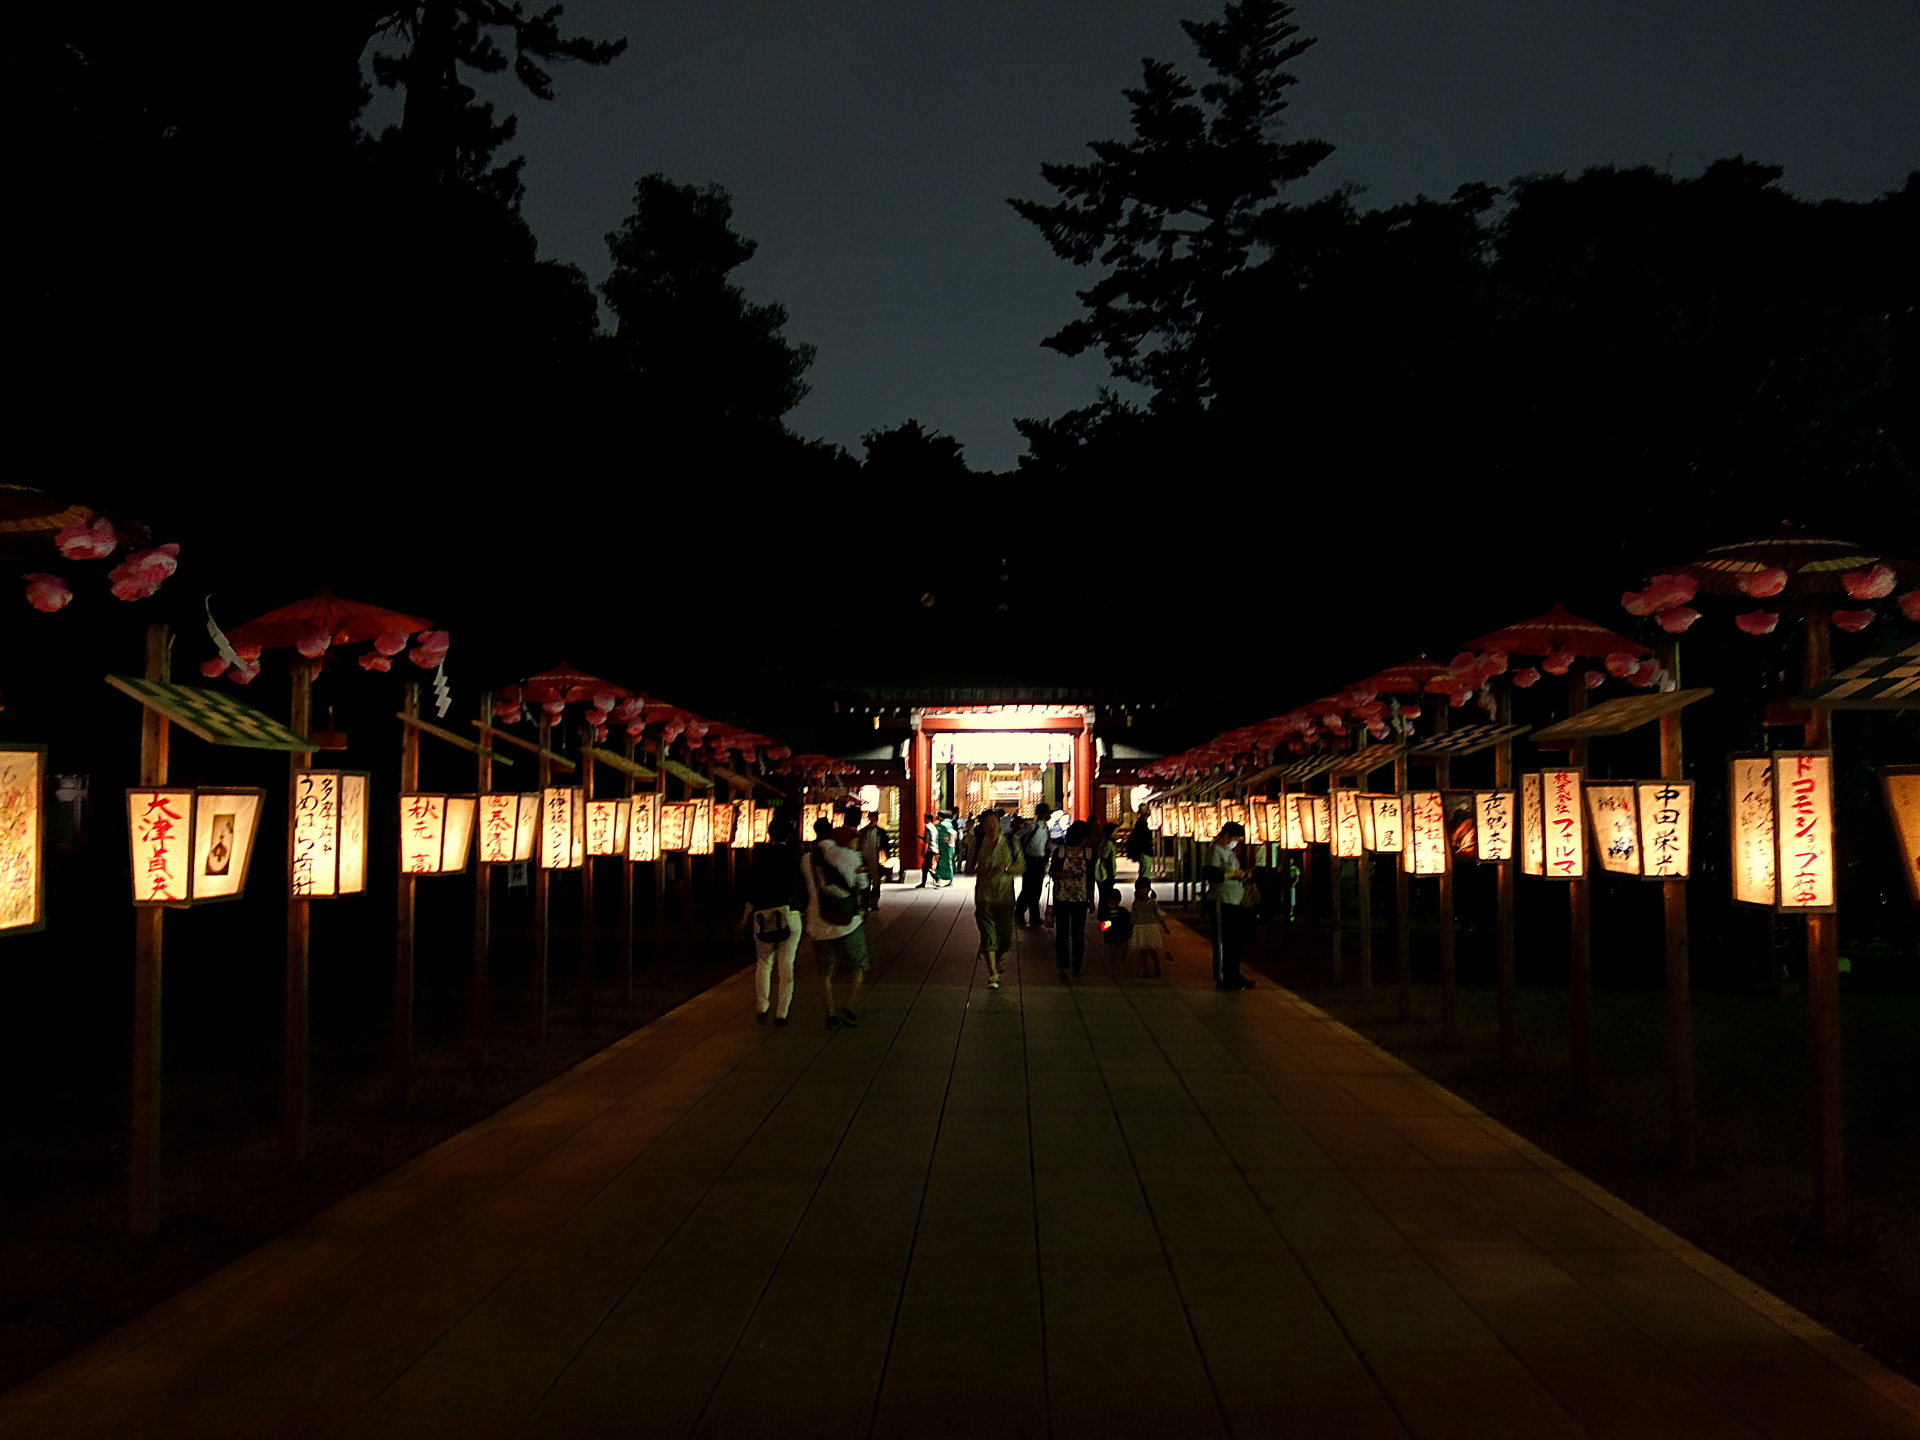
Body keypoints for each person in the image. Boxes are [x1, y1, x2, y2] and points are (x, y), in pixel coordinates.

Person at [804, 817, 871, 1028]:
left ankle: (830, 1014)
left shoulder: (805, 859)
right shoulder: (851, 856)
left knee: (824, 971)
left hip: (817, 923)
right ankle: (849, 1006)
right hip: (847, 922)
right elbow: (863, 884)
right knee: (858, 965)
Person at [740, 816, 806, 1025]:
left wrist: (744, 917)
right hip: (790, 913)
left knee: (763, 962)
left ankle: (762, 1007)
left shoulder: (759, 856)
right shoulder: (794, 857)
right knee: (786, 965)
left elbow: (751, 889)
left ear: (769, 834)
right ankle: (782, 1013)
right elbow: (800, 888)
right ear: (789, 835)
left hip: (763, 914)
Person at [970, 812, 1024, 990]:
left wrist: (1006, 868)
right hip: (984, 895)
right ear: (983, 826)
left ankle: (993, 955)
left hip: (1005, 895)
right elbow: (969, 868)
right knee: (988, 935)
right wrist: (980, 870)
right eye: (987, 823)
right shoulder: (978, 842)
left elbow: (1022, 865)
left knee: (1006, 938)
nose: (991, 826)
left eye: (994, 822)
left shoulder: (1010, 842)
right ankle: (992, 973)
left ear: (999, 823)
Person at [1207, 820, 1255, 991]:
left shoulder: (1229, 852)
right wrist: (1232, 874)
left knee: (1235, 940)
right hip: (1221, 899)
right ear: (1227, 835)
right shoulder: (1215, 851)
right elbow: (1212, 875)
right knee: (1222, 940)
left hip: (1234, 900)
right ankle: (1222, 977)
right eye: (1235, 838)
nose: (1236, 842)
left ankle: (1234, 973)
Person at [1048, 819, 1096, 978]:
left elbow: (1091, 877)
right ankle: (1062, 965)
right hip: (1062, 897)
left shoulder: (1088, 853)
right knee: (1062, 933)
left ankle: (1077, 966)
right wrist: (1060, 874)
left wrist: (1091, 897)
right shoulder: (1060, 852)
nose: (1086, 840)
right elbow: (1052, 872)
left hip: (1081, 898)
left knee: (1078, 934)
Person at [1015, 803, 1052, 925]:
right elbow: (1016, 836)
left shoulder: (1045, 828)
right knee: (1027, 889)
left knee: (1036, 890)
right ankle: (1019, 914)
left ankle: (1034, 916)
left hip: (1040, 861)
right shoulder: (1033, 827)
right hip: (1030, 860)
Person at [1130, 881, 1165, 977]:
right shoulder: (1136, 903)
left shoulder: (1152, 902)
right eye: (1139, 889)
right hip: (1140, 927)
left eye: (1143, 888)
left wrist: (1164, 926)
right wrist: (1131, 927)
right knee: (1143, 950)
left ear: (1148, 889)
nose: (1141, 891)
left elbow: (1158, 914)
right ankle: (1145, 969)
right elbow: (1133, 916)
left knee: (1151, 949)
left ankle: (1157, 967)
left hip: (1150, 926)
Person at [857, 810, 890, 911]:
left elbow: (885, 847)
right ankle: (865, 903)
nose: (873, 819)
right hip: (864, 858)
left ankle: (874, 902)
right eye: (871, 817)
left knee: (876, 882)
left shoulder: (881, 832)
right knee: (865, 882)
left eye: (875, 817)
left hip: (876, 859)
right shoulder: (862, 832)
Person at [1096, 885, 1132, 973]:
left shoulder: (1123, 911)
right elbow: (1100, 923)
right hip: (1110, 937)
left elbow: (1129, 922)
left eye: (1114, 899)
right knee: (1111, 953)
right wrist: (1103, 925)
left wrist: (1129, 931)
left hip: (1122, 936)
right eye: (1110, 900)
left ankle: (1120, 968)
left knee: (1122, 953)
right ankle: (1111, 969)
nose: (1112, 902)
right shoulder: (1104, 912)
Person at [1125, 811, 1154, 883]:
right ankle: (1143, 887)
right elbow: (1146, 840)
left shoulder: (1139, 825)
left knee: (1143, 870)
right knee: (1145, 872)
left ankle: (1142, 886)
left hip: (1142, 851)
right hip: (1145, 851)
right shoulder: (1142, 826)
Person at [933, 810, 957, 886]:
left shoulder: (942, 825)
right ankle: (944, 878)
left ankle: (946, 877)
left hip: (945, 847)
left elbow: (940, 836)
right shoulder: (949, 823)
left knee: (944, 863)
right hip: (950, 845)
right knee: (948, 862)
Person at [916, 813, 938, 888]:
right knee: (926, 865)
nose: (924, 820)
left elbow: (927, 840)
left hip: (930, 848)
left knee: (924, 866)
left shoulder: (927, 827)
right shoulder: (934, 827)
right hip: (934, 847)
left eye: (925, 818)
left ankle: (933, 877)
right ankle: (930, 878)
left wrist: (920, 837)